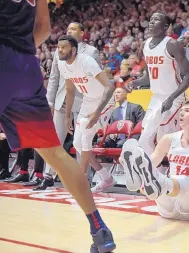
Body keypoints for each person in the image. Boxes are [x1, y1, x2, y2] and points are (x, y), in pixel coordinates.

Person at [0, 1, 115, 252]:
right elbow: (43, 28)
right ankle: (99, 229)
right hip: (26, 66)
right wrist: (19, 50)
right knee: (55, 153)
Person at [120, 100, 189, 221]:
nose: (181, 114)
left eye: (187, 111)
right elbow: (151, 162)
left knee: (181, 181)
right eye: (180, 111)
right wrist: (134, 164)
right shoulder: (168, 139)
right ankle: (140, 175)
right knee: (158, 179)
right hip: (168, 207)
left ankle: (157, 183)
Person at [37, 21, 100, 191]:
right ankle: (48, 176)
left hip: (83, 101)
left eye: (73, 29)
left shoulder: (92, 52)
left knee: (81, 141)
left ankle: (83, 178)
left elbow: (96, 78)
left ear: (82, 32)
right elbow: (54, 78)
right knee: (54, 139)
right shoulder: (59, 52)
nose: (69, 31)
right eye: (68, 28)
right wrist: (49, 101)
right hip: (62, 101)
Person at [126, 11, 189, 156]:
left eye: (156, 20)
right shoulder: (145, 45)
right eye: (150, 19)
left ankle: (173, 173)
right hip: (156, 98)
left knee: (165, 137)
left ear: (166, 26)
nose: (151, 22)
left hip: (174, 97)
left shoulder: (173, 45)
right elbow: (148, 78)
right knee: (144, 140)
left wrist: (171, 98)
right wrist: (135, 82)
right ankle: (158, 173)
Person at [57, 35, 116, 193]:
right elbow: (70, 90)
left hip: (105, 100)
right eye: (58, 47)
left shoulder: (86, 61)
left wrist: (97, 113)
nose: (60, 50)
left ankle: (80, 183)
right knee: (77, 144)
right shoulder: (63, 64)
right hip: (88, 101)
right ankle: (106, 177)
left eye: (63, 47)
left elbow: (109, 87)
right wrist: (67, 116)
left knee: (86, 135)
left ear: (73, 49)